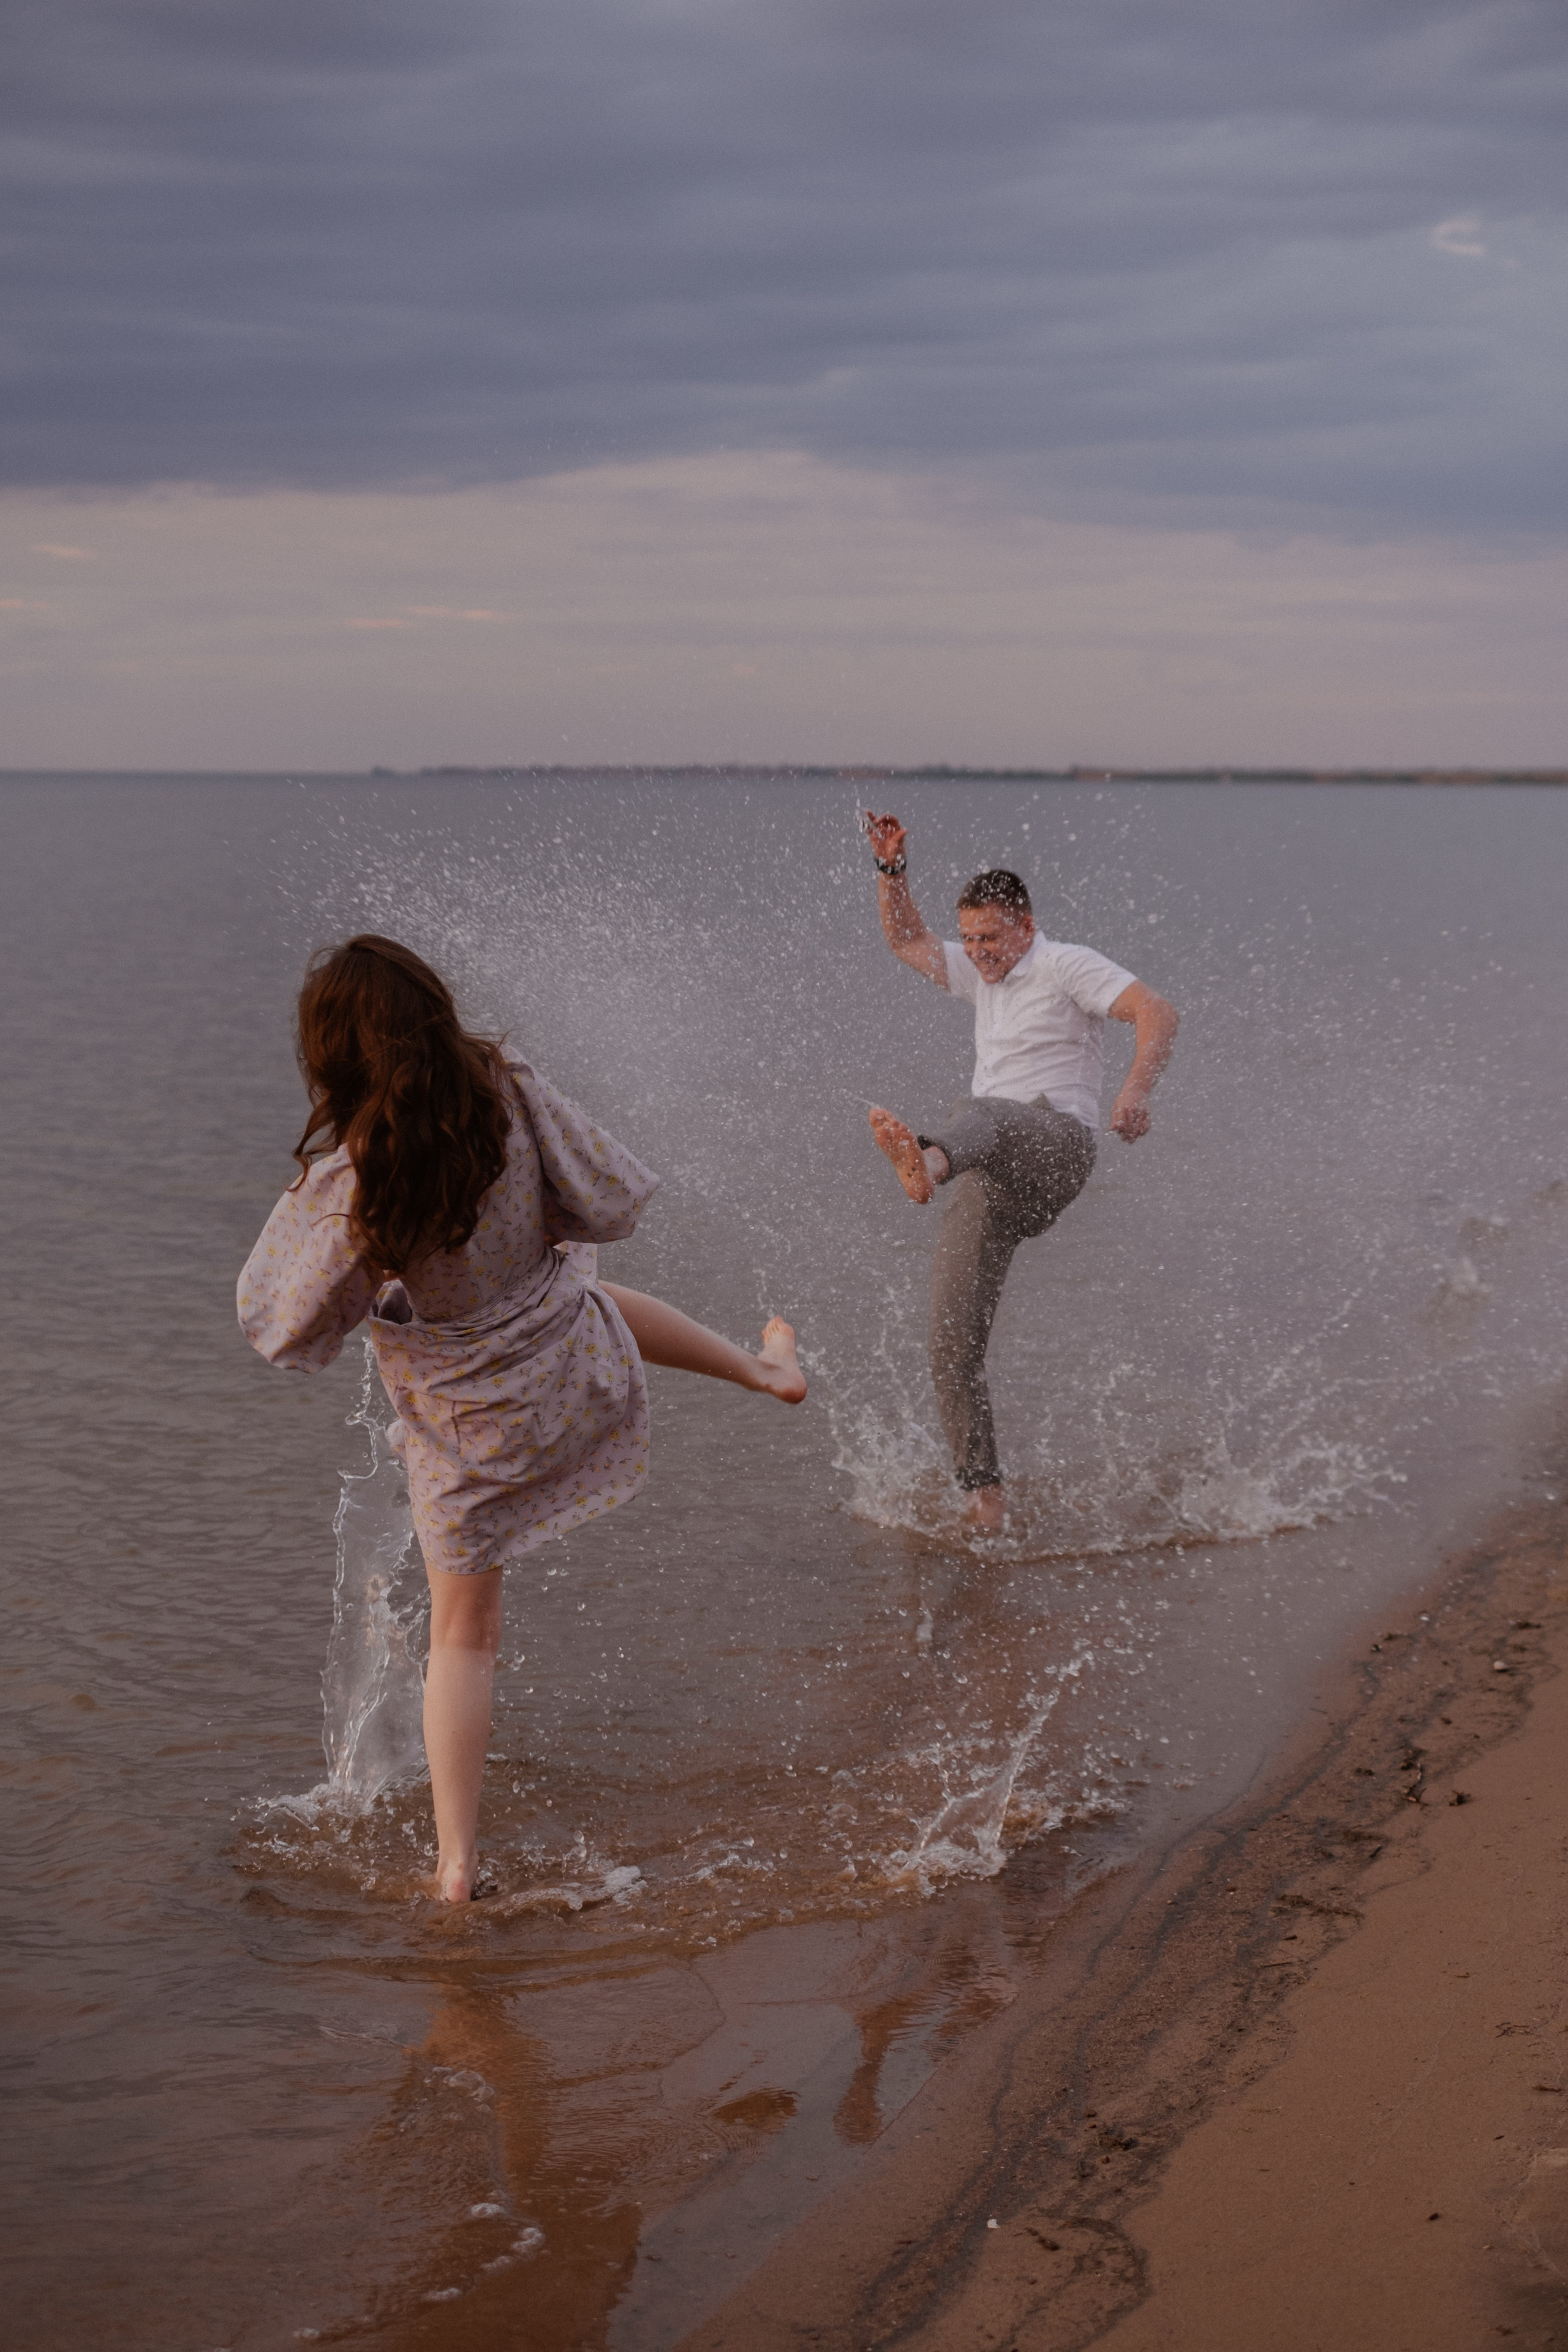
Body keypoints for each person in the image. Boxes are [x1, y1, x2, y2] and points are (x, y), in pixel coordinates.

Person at [237, 934, 805, 1904]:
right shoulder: (505, 1087)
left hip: (470, 1430)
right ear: (433, 1011)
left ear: (338, 1054)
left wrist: (351, 1232)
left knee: (464, 1636)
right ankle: (761, 1371)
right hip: (572, 1369)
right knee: (591, 1292)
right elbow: (611, 1197)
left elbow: (280, 1326)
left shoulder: (362, 1173)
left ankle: (456, 1867)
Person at [861, 813, 1178, 1534]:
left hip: (1055, 1144)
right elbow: (906, 939)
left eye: (991, 939)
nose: (978, 954)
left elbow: (1156, 1010)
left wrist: (1133, 1092)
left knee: (987, 1112)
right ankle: (987, 1501)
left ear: (1026, 927)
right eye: (969, 940)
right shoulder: (980, 976)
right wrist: (891, 870)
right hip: (989, 1170)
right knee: (949, 1339)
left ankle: (928, 1160)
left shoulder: (1065, 964)